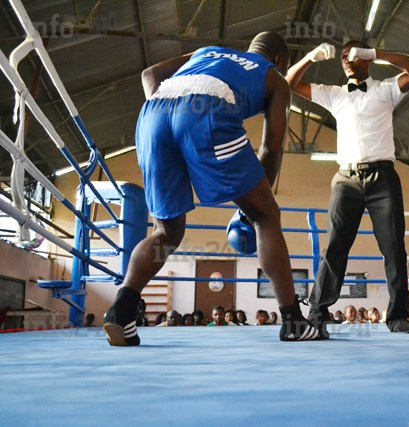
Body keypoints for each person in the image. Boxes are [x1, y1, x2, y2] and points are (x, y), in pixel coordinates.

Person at [102, 32, 322, 345]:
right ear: (280, 60)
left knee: (165, 232)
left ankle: (120, 312)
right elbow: (271, 150)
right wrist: (254, 208)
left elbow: (149, 75)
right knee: (267, 217)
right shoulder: (274, 76)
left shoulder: (208, 51)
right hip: (208, 108)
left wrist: (172, 120)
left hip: (153, 115)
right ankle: (293, 321)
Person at [286, 41, 409, 336]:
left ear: (366, 58)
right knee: (334, 247)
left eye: (352, 54)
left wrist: (378, 54)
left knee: (393, 248)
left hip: (383, 178)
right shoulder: (334, 94)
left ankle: (398, 315)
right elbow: (289, 84)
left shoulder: (386, 89)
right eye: (342, 57)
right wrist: (310, 57)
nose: (346, 60)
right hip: (346, 179)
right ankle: (318, 312)